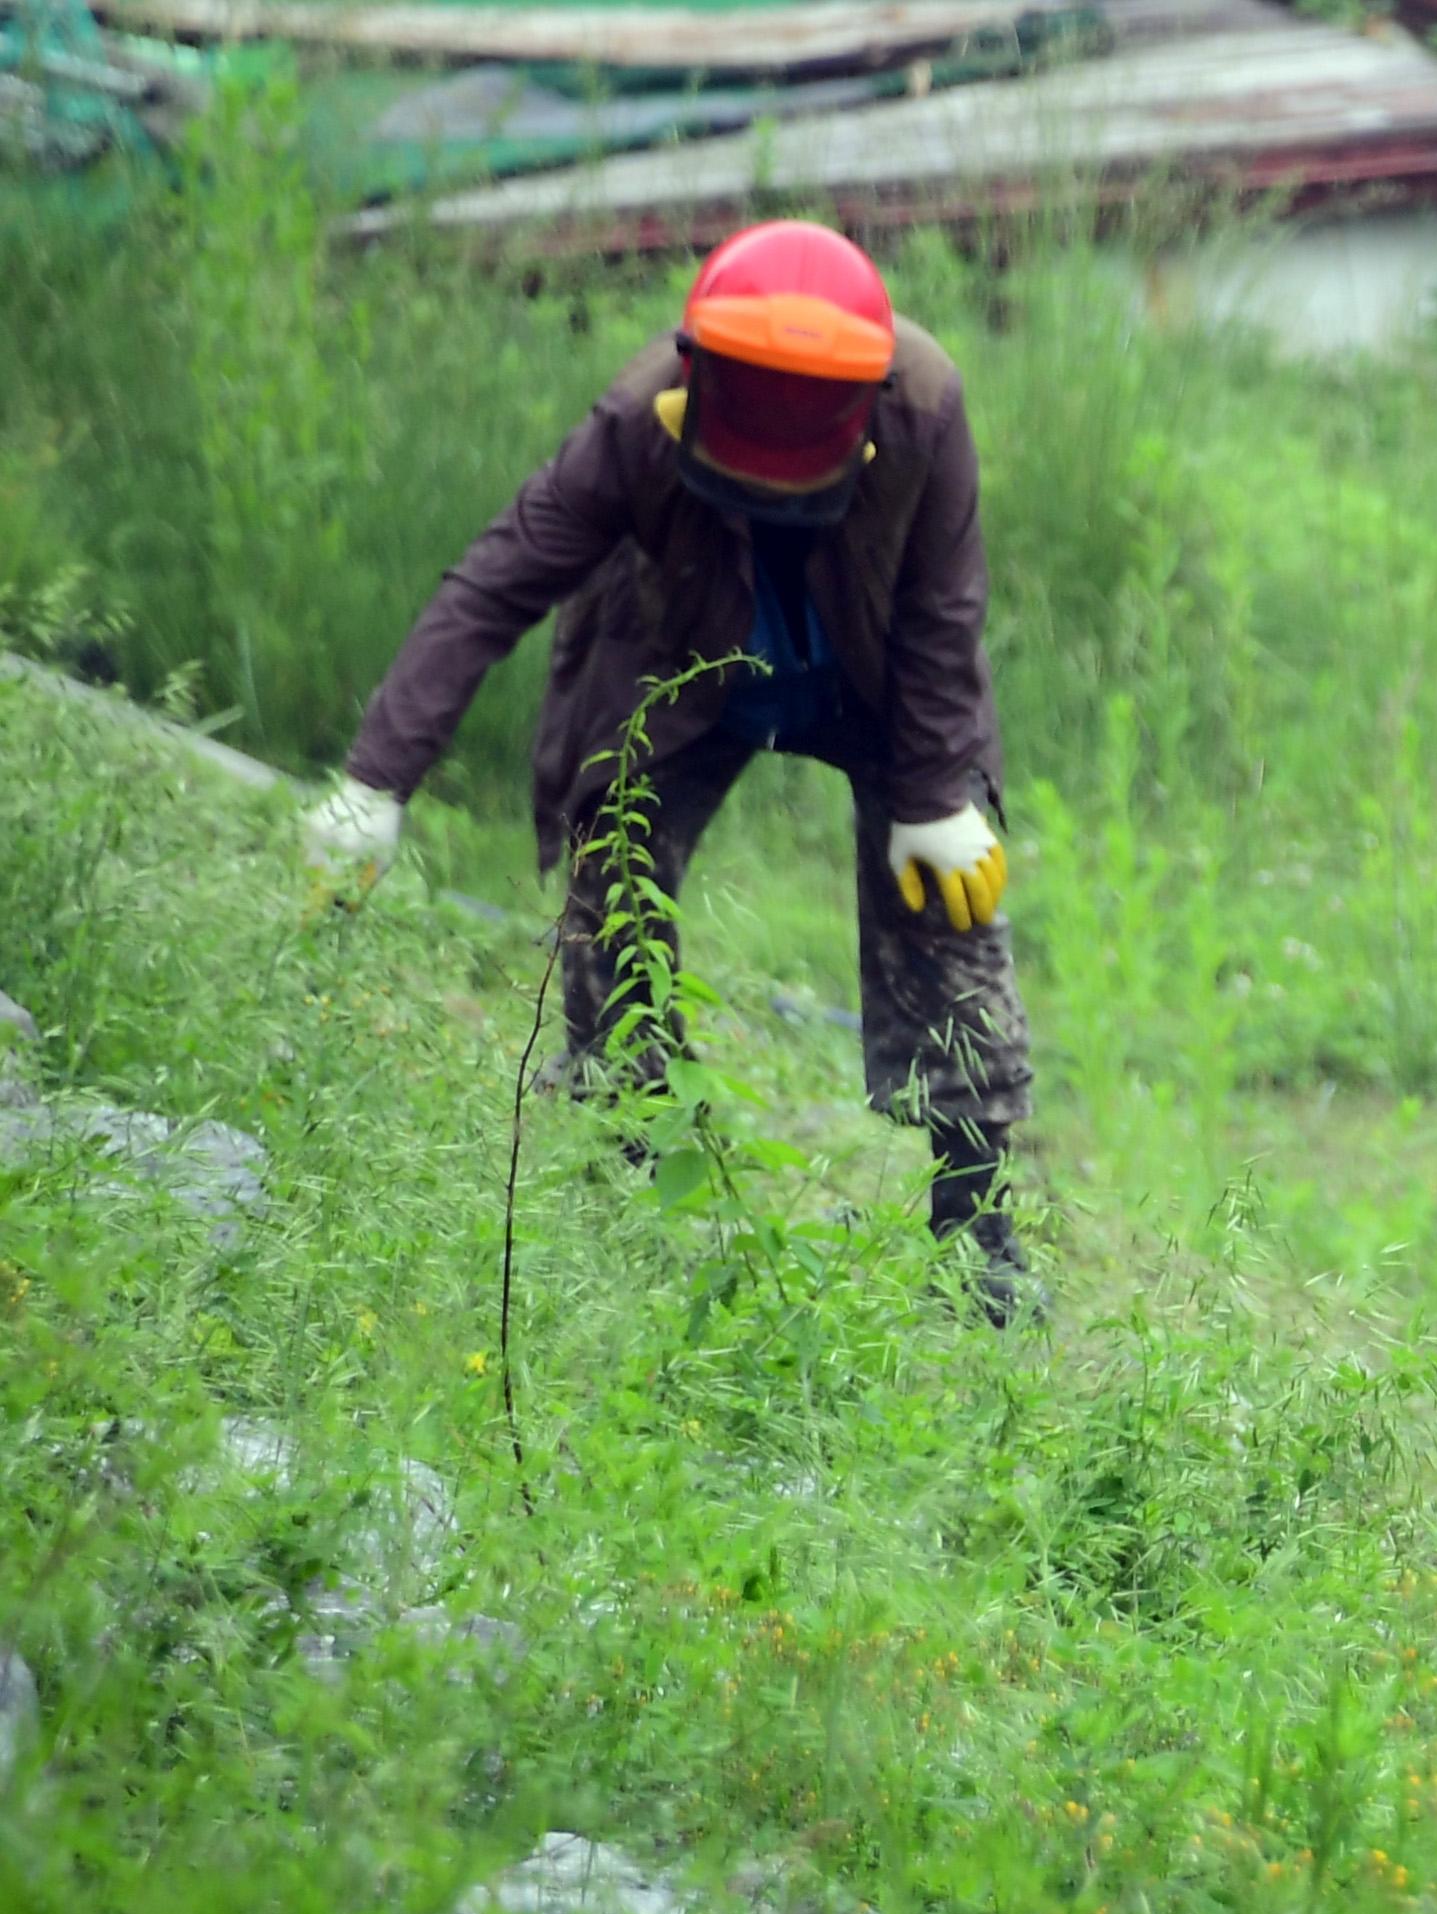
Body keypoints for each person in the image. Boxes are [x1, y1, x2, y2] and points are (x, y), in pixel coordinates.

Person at [297, 219, 1030, 1314]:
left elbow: (943, 609)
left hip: (881, 679)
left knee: (952, 898)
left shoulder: (924, 404)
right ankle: (630, 1199)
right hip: (684, 659)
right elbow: (499, 579)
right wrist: (375, 779)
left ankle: (980, 1249)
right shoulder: (639, 420)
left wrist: (933, 794)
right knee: (614, 892)